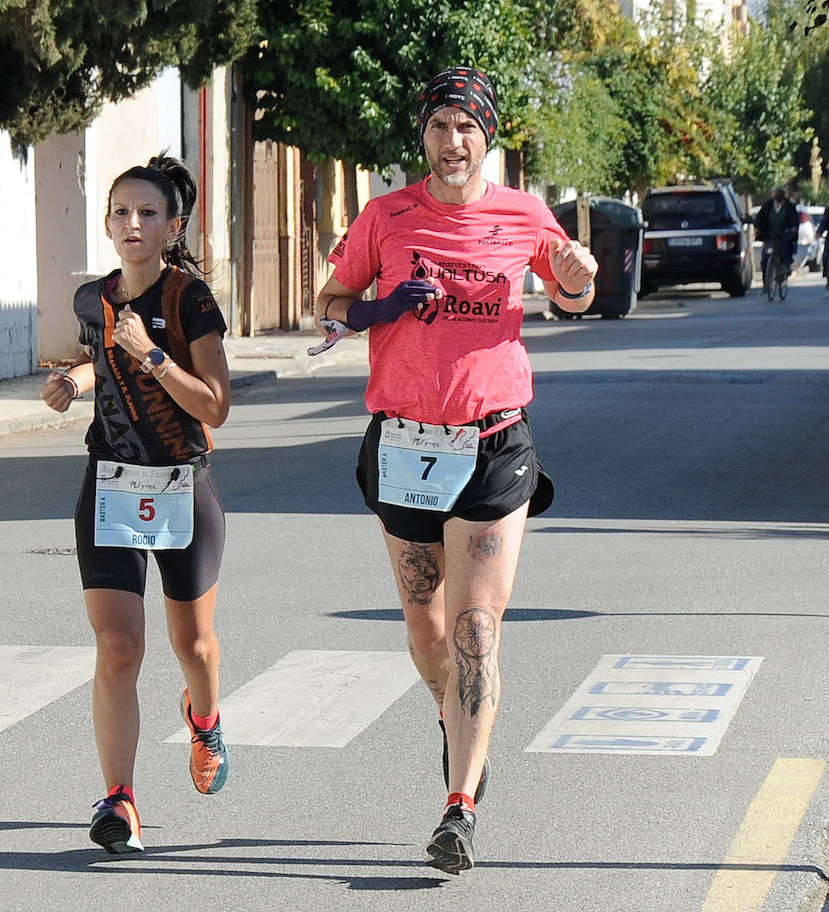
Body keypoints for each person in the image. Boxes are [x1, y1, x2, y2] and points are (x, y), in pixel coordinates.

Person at [314, 65, 597, 875]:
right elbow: (329, 308)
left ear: (488, 136)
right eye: (439, 126)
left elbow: (570, 289)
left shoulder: (523, 214)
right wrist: (378, 307)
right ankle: (456, 720)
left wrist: (576, 284)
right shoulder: (386, 215)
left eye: (466, 126)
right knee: (429, 632)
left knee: (478, 630)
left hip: (494, 443)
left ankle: (459, 806)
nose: (452, 141)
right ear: (423, 136)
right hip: (404, 446)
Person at [41, 154, 233, 855]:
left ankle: (204, 719)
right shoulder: (93, 300)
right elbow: (108, 357)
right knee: (119, 645)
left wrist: (153, 355)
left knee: (195, 646)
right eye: (121, 211)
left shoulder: (190, 300)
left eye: (148, 213)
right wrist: (78, 379)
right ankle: (119, 799)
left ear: (171, 225)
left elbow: (216, 404)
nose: (132, 223)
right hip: (112, 483)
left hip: (182, 484)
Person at [753, 187, 798, 293]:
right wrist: (757, 228)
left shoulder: (789, 206)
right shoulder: (767, 205)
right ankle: (766, 285)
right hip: (770, 236)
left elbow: (794, 218)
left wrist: (794, 228)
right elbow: (759, 217)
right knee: (765, 258)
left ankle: (785, 266)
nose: (776, 195)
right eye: (774, 193)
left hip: (784, 235)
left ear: (783, 194)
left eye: (778, 193)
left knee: (786, 246)